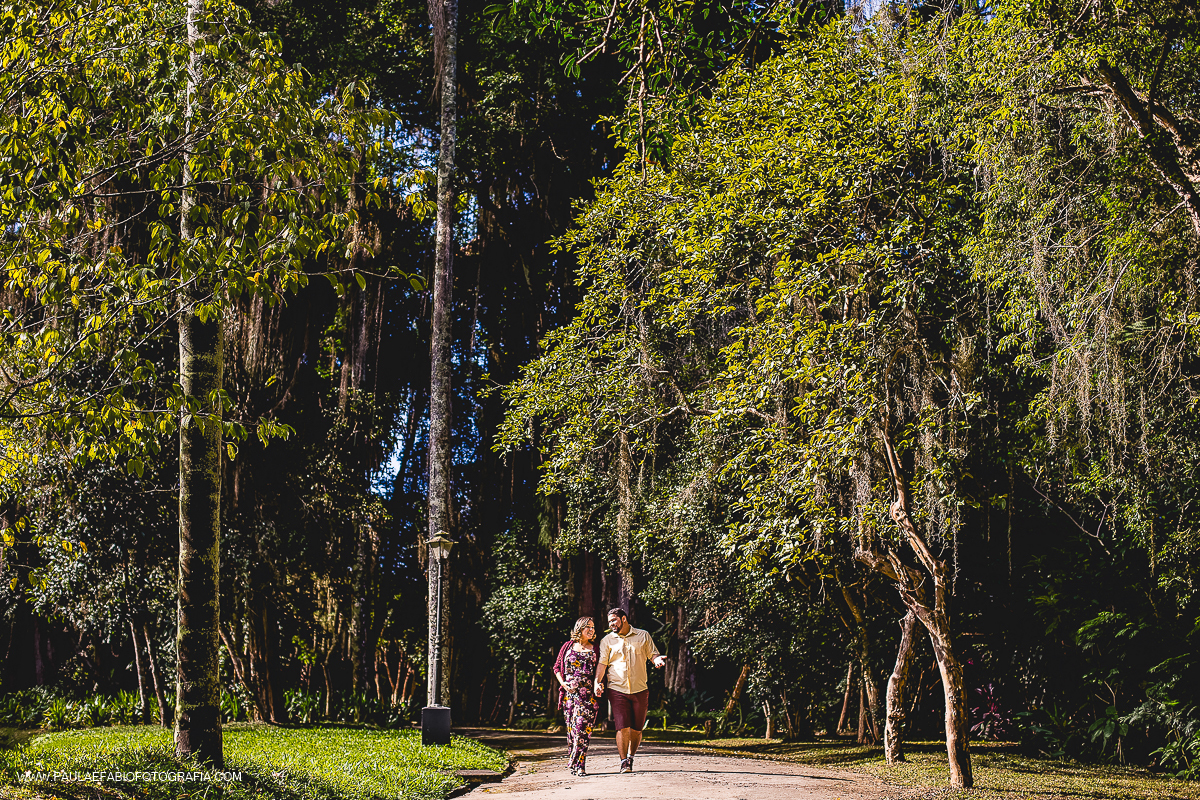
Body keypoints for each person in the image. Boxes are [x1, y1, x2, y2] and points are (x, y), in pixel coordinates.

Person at [594, 608, 666, 773]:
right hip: (617, 688)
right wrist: (597, 682)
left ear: (624, 619)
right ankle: (623, 761)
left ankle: (631, 756)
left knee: (637, 729)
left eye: (614, 620)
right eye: (609, 621)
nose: (611, 624)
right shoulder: (607, 641)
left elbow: (652, 654)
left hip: (640, 688)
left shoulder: (643, 635)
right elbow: (602, 664)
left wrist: (657, 660)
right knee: (622, 726)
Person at [553, 616, 599, 776]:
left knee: (582, 730)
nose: (592, 630)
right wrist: (563, 683)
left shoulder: (596, 648)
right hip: (569, 697)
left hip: (588, 697)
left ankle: (574, 760)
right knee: (572, 732)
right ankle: (579, 766)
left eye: (593, 627)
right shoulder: (568, 646)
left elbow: (601, 671)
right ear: (580, 628)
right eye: (588, 627)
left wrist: (599, 684)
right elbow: (557, 668)